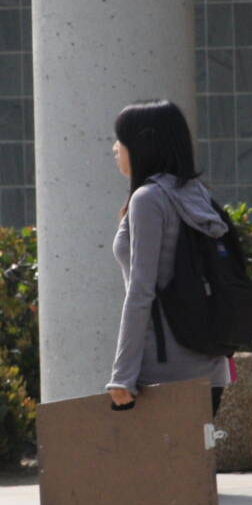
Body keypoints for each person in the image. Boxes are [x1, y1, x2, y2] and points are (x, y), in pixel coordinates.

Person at [105, 100, 233, 415]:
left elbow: (141, 290)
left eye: (122, 140)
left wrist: (123, 375)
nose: (115, 148)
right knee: (192, 464)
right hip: (208, 366)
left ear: (143, 144)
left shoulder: (149, 199)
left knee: (149, 465)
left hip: (163, 373)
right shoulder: (196, 193)